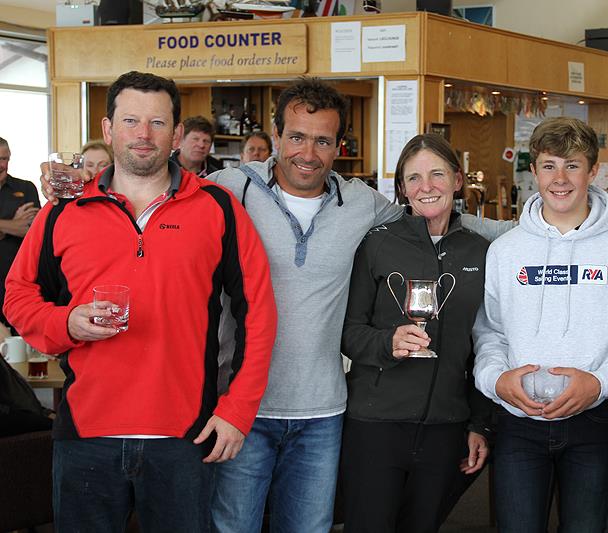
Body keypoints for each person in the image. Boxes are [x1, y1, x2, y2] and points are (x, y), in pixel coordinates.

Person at [40, 76, 513, 533]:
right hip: (239, 407)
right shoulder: (228, 189)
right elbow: (150, 184)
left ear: (339, 146)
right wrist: (85, 180)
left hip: (323, 411)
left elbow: (431, 215)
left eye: (324, 141)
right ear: (276, 136)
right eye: (297, 137)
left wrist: (544, 226)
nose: (308, 154)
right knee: (232, 526)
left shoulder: (364, 205)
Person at [6, 71, 278, 532]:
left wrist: (237, 410)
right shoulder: (63, 209)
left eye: (157, 123)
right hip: (86, 435)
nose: (143, 134)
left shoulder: (217, 207)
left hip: (185, 437)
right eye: (130, 120)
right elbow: (17, 296)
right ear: (109, 129)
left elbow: (260, 310)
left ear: (176, 134)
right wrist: (67, 322)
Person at [473, 117, 608, 533]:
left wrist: (601, 383)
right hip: (517, 421)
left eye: (572, 165)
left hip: (595, 422)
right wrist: (495, 379)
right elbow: (490, 331)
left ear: (593, 170)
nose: (560, 178)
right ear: (533, 171)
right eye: (549, 165)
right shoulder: (505, 250)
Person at [340, 134, 493, 532]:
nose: (427, 186)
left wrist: (478, 423)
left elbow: (484, 347)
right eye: (414, 178)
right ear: (402, 189)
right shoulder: (376, 244)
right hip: (376, 423)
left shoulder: (480, 251)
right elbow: (349, 332)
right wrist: (386, 343)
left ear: (457, 180)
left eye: (437, 174)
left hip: (446, 425)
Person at [0, 137, 39, 329]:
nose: (1, 165)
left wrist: (17, 228)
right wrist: (13, 225)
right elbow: (20, 228)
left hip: (16, 283)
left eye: (5, 159)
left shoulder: (25, 188)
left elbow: (31, 231)